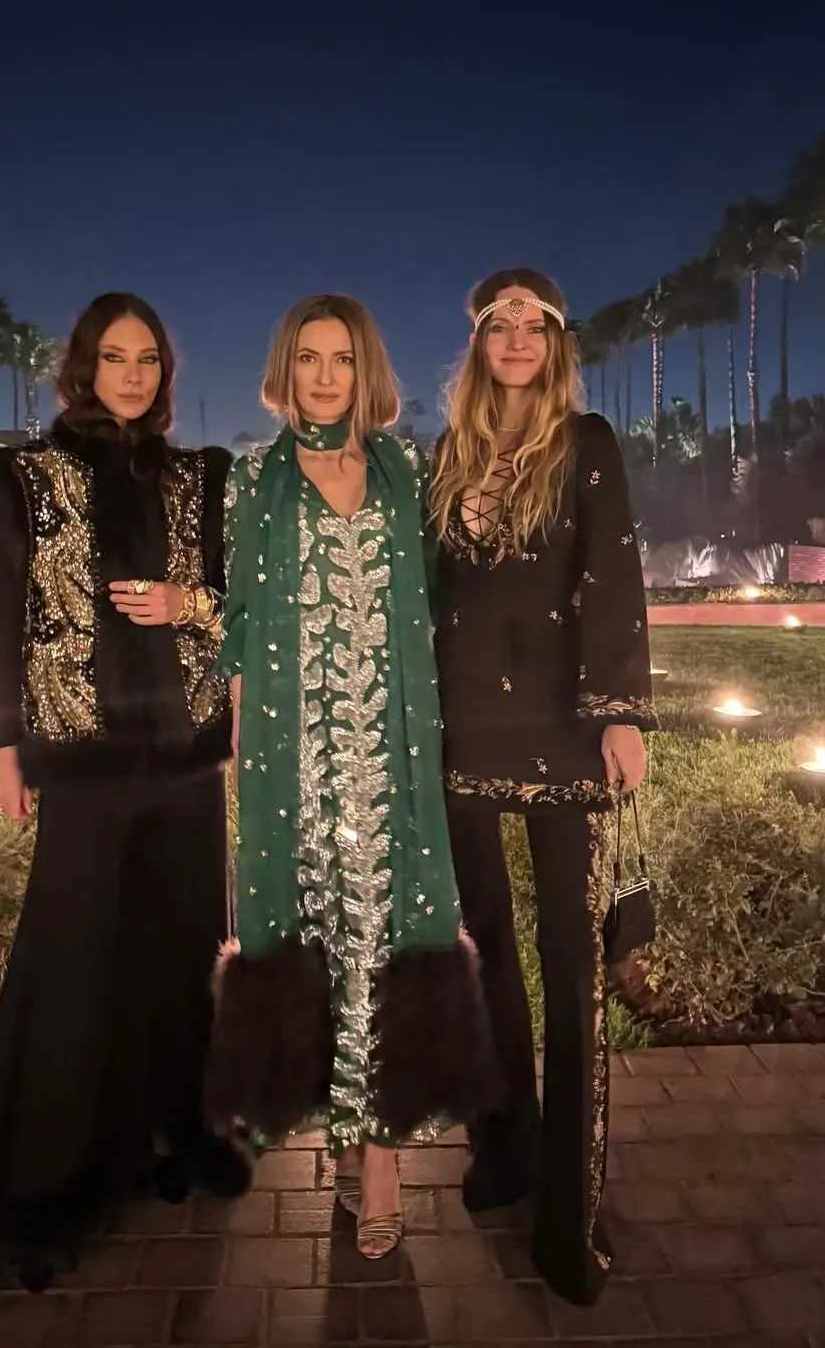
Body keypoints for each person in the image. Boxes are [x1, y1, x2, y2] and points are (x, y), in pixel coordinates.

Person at [0, 292, 250, 1293]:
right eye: (115, 357)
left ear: (164, 373)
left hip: (183, 763)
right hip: (84, 763)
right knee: (73, 965)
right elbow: (5, 616)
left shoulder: (196, 481)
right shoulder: (31, 479)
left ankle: (171, 1136)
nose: (133, 375)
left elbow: (242, 609)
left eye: (149, 359)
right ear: (84, 367)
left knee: (179, 956)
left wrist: (189, 603)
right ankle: (48, 1188)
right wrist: (5, 749)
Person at [204, 294, 498, 1260]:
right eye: (309, 358)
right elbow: (239, 614)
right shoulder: (255, 479)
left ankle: (379, 1162)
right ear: (284, 370)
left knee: (383, 931)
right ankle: (337, 1125)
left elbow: (449, 584)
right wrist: (243, 730)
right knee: (315, 934)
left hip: (392, 749)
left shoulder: (404, 470)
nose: (326, 377)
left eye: (341, 359)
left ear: (366, 369)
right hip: (295, 755)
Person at [430, 268, 656, 1306]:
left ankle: (571, 1208)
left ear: (556, 342)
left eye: (536, 323)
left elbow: (613, 575)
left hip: (567, 733)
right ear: (479, 341)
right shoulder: (449, 455)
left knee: (570, 964)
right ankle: (505, 1145)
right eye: (499, 323)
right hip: (464, 729)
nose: (518, 338)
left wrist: (621, 711)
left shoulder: (588, 443)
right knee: (484, 950)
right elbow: (429, 590)